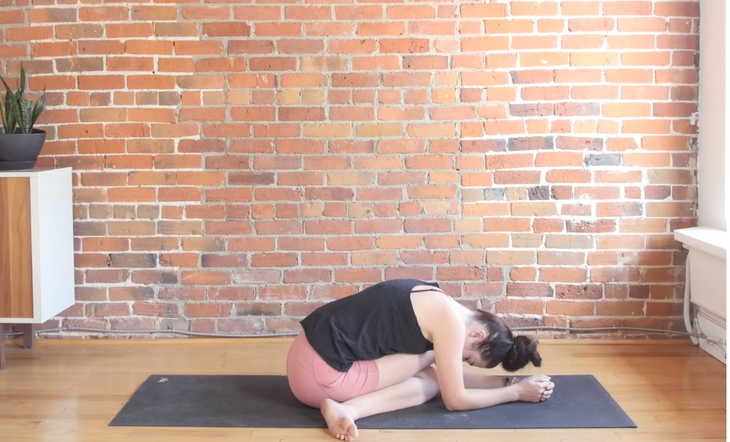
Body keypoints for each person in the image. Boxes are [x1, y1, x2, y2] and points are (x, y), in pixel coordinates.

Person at [286, 278, 553, 441]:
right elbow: (455, 399)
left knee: (433, 372)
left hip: (303, 357)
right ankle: (348, 410)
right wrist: (516, 392)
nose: (460, 361)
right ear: (478, 334)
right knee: (433, 376)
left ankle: (345, 408)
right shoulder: (451, 325)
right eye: (468, 358)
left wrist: (509, 380)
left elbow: (447, 374)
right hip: (320, 378)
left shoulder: (433, 295)